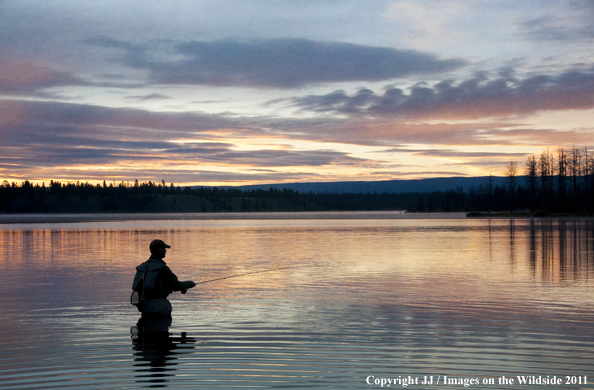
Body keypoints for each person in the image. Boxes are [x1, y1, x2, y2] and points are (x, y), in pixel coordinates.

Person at [132, 239, 196, 318]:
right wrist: (189, 284)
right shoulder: (162, 268)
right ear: (160, 250)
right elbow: (176, 285)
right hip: (160, 306)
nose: (165, 251)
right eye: (164, 249)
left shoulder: (143, 267)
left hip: (146, 306)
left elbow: (138, 289)